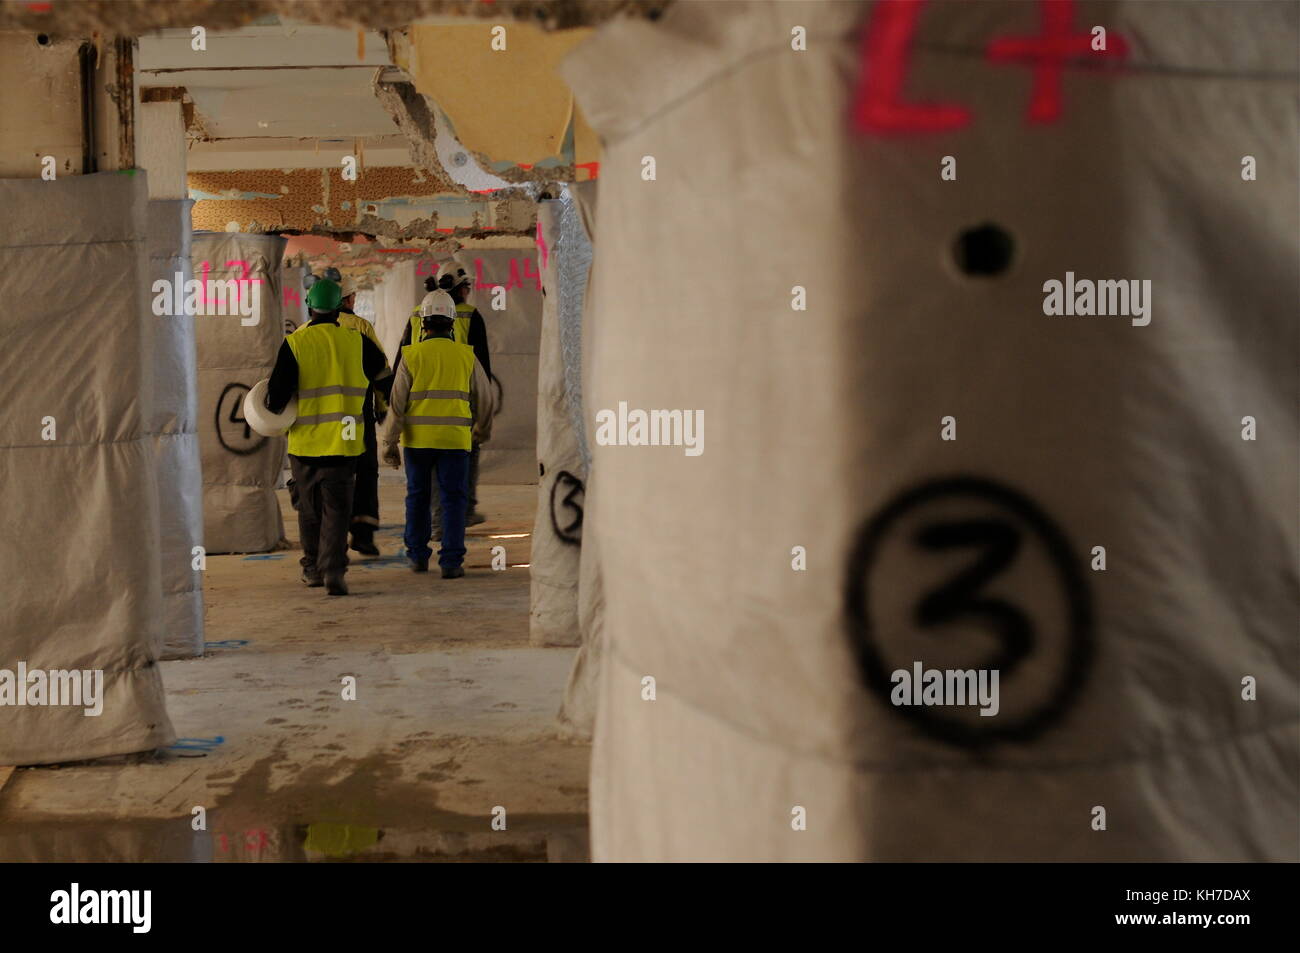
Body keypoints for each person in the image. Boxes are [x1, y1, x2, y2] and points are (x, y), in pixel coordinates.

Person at [266, 278, 392, 596]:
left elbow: (276, 398)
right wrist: (384, 409)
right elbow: (385, 379)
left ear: (309, 306)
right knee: (337, 509)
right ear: (340, 308)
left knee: (309, 509)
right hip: (346, 438)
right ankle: (334, 569)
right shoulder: (357, 340)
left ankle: (312, 568)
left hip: (305, 442)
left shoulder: (295, 343)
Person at [381, 290, 488, 578]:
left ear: (423, 323)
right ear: (452, 322)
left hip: (418, 442)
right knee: (454, 498)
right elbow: (485, 397)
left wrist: (389, 442)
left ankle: (417, 556)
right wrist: (481, 427)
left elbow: (397, 403)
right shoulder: (466, 356)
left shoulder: (411, 355)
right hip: (455, 440)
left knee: (417, 496)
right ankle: (451, 562)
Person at [393, 260, 493, 528]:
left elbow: (401, 356)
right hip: (459, 405)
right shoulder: (471, 316)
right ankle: (454, 520)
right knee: (458, 470)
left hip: (418, 404)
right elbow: (482, 367)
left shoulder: (416, 314)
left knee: (421, 480)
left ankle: (427, 533)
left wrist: (391, 413)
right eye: (467, 287)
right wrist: (483, 416)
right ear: (460, 289)